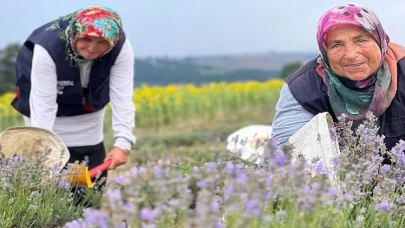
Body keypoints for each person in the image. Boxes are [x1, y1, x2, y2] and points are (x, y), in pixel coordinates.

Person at [11, 5, 136, 194]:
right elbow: (43, 104)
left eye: (102, 42)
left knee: (88, 173)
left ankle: (85, 215)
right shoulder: (47, 47)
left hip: (87, 107)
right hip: (44, 105)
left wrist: (123, 143)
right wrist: (41, 147)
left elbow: (122, 96)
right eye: (86, 39)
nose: (93, 48)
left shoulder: (120, 46)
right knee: (47, 174)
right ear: (75, 35)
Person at [271, 3, 405, 151]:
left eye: (361, 40)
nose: (351, 55)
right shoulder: (302, 88)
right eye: (336, 45)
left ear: (380, 41)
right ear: (324, 51)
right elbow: (286, 157)